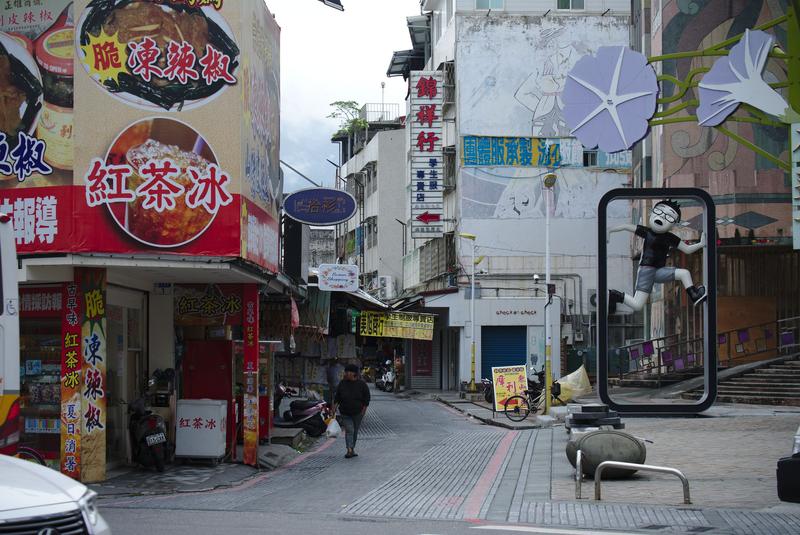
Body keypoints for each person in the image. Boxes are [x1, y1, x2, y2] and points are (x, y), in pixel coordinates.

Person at [608, 199, 707, 314]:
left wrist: (701, 244)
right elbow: (626, 226)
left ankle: (694, 295)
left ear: (673, 224)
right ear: (652, 213)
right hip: (646, 270)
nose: (662, 218)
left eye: (669, 217)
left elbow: (687, 249)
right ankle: (615, 295)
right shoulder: (647, 232)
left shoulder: (670, 237)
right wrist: (609, 230)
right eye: (659, 212)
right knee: (637, 305)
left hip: (659, 271)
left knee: (684, 273)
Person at [333, 364, 370, 459]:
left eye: (348, 372)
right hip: (345, 412)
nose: (346, 374)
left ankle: (352, 448)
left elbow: (367, 399)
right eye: (346, 372)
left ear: (354, 373)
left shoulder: (362, 384)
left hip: (358, 413)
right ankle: (349, 449)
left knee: (355, 431)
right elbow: (337, 398)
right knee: (350, 430)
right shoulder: (342, 383)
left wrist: (363, 411)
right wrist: (333, 409)